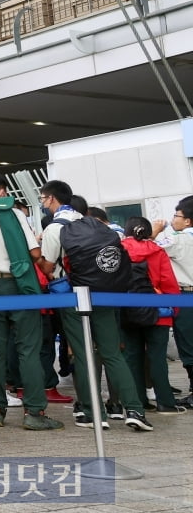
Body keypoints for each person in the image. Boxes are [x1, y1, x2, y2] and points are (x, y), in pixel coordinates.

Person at [38, 180, 147, 431]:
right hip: (105, 294)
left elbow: (48, 266)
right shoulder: (96, 224)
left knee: (84, 353)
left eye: (43, 199)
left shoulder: (55, 228)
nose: (43, 204)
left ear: (52, 199)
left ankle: (92, 412)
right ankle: (135, 410)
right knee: (112, 353)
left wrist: (37, 251)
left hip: (73, 295)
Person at [0, 171, 61, 431]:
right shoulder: (15, 214)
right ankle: (34, 412)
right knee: (28, 348)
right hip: (19, 285)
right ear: (3, 191)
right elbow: (34, 252)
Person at [120, 216, 183, 414]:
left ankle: (138, 403)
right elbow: (169, 282)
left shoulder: (119, 250)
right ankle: (165, 402)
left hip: (127, 310)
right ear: (148, 232)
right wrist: (174, 309)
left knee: (132, 357)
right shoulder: (158, 252)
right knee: (157, 358)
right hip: (158, 311)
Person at [154, 195, 193, 402]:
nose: (173, 219)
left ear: (187, 221)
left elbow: (150, 248)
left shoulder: (178, 239)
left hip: (186, 296)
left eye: (176, 215)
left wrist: (156, 231)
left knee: (188, 343)